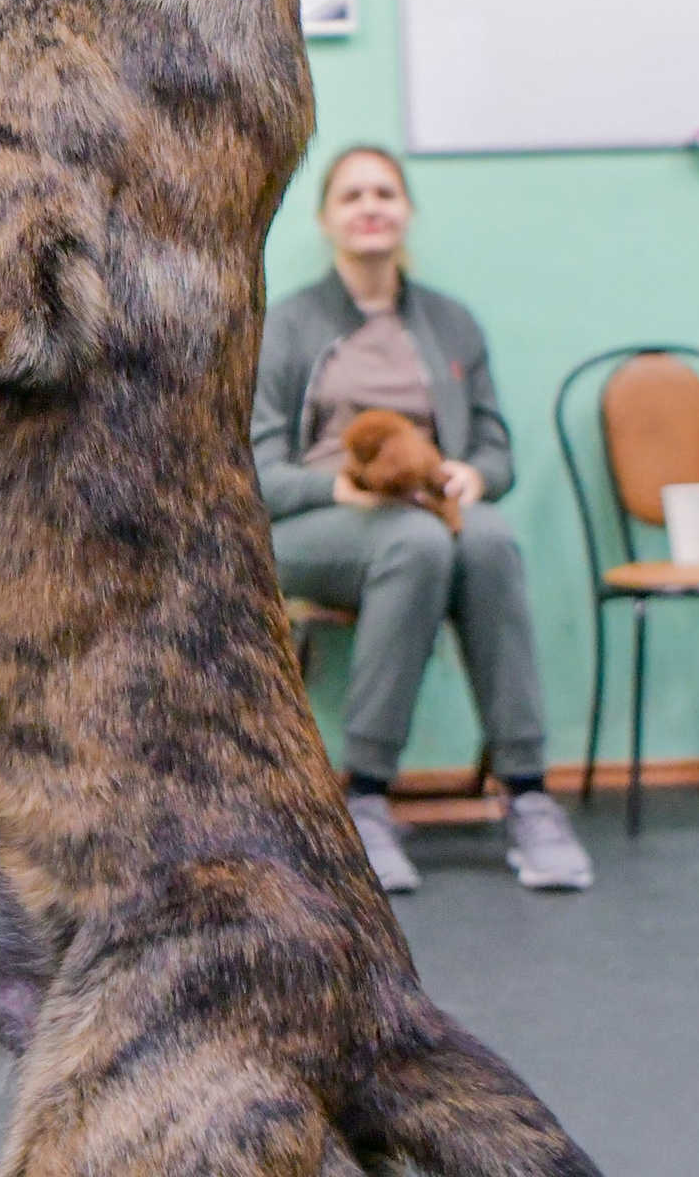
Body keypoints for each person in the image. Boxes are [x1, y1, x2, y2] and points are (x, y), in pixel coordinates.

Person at [252, 142, 592, 895]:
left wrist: (473, 475)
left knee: (493, 542)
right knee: (414, 541)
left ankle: (528, 793)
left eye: (384, 193)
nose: (370, 206)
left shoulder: (450, 322)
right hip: (315, 524)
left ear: (406, 214)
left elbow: (496, 448)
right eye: (351, 196)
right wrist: (341, 492)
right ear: (326, 221)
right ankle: (367, 797)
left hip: (430, 513)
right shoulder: (289, 324)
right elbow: (258, 472)